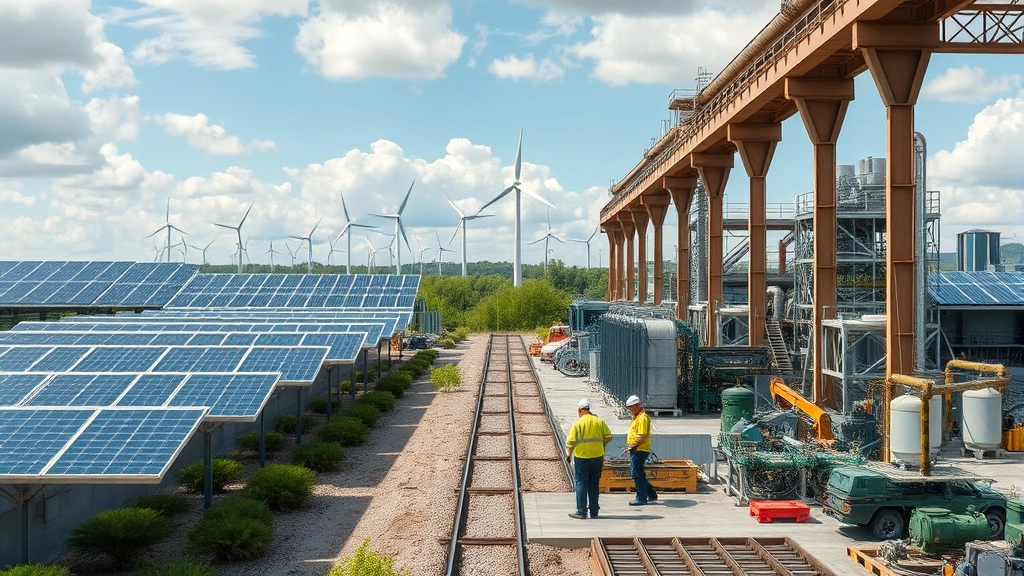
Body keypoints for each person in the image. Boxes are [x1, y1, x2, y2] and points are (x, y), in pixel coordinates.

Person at [565, 398, 612, 519]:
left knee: (581, 484)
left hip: (582, 458)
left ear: (579, 410)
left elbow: (570, 442)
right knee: (593, 484)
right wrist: (601, 445)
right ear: (589, 409)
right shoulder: (599, 421)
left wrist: (568, 455)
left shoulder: (578, 424)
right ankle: (594, 511)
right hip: (597, 457)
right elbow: (608, 436)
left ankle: (581, 511)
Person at [625, 394, 658, 506]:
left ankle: (641, 498)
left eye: (630, 408)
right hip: (637, 449)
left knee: (636, 474)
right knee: (639, 473)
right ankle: (651, 494)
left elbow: (642, 435)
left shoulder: (643, 418)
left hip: (640, 449)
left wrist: (633, 446)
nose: (630, 411)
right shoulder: (637, 417)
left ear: (636, 406)